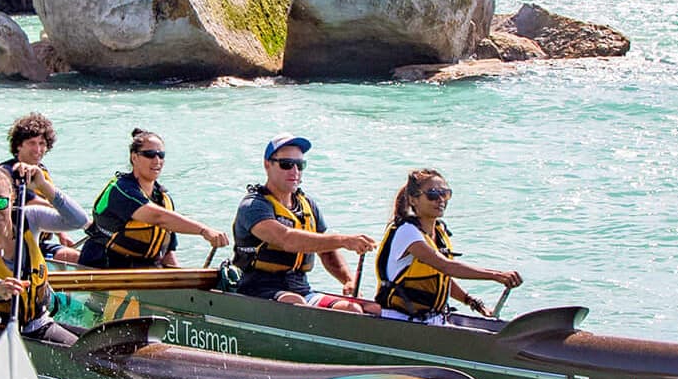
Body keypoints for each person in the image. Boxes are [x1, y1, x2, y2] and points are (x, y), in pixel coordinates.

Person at [228, 136, 377, 307]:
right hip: (255, 289)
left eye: (300, 165)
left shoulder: (308, 205)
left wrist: (348, 280)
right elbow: (286, 239)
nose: (295, 171)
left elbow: (327, 251)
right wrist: (344, 240)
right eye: (286, 164)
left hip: (301, 289)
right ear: (267, 164)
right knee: (294, 303)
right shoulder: (253, 206)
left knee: (365, 308)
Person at [0, 164, 89, 347]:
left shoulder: (29, 219)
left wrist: (44, 186)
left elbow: (79, 221)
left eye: (0, 203)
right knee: (86, 353)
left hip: (37, 323)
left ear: (12, 199)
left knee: (99, 347)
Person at [372, 169, 522, 325]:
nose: (441, 199)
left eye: (445, 193)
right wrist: (497, 275)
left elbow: (441, 277)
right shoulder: (407, 232)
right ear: (413, 199)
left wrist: (471, 302)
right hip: (399, 320)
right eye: (432, 194)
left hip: (433, 320)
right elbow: (447, 267)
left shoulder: (439, 231)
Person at [74, 129, 227, 269]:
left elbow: (167, 251)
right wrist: (203, 230)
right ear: (134, 157)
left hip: (145, 271)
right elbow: (158, 217)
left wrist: (182, 280)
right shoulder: (120, 190)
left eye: (161, 155)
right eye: (150, 154)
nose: (157, 160)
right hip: (105, 266)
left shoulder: (163, 199)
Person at [0, 111, 74, 262]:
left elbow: (50, 200)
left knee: (78, 258)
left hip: (38, 242)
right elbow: (36, 202)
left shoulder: (41, 171)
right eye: (32, 143)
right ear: (18, 145)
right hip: (13, 247)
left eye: (42, 144)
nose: (38, 149)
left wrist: (62, 234)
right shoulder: (6, 173)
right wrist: (80, 221)